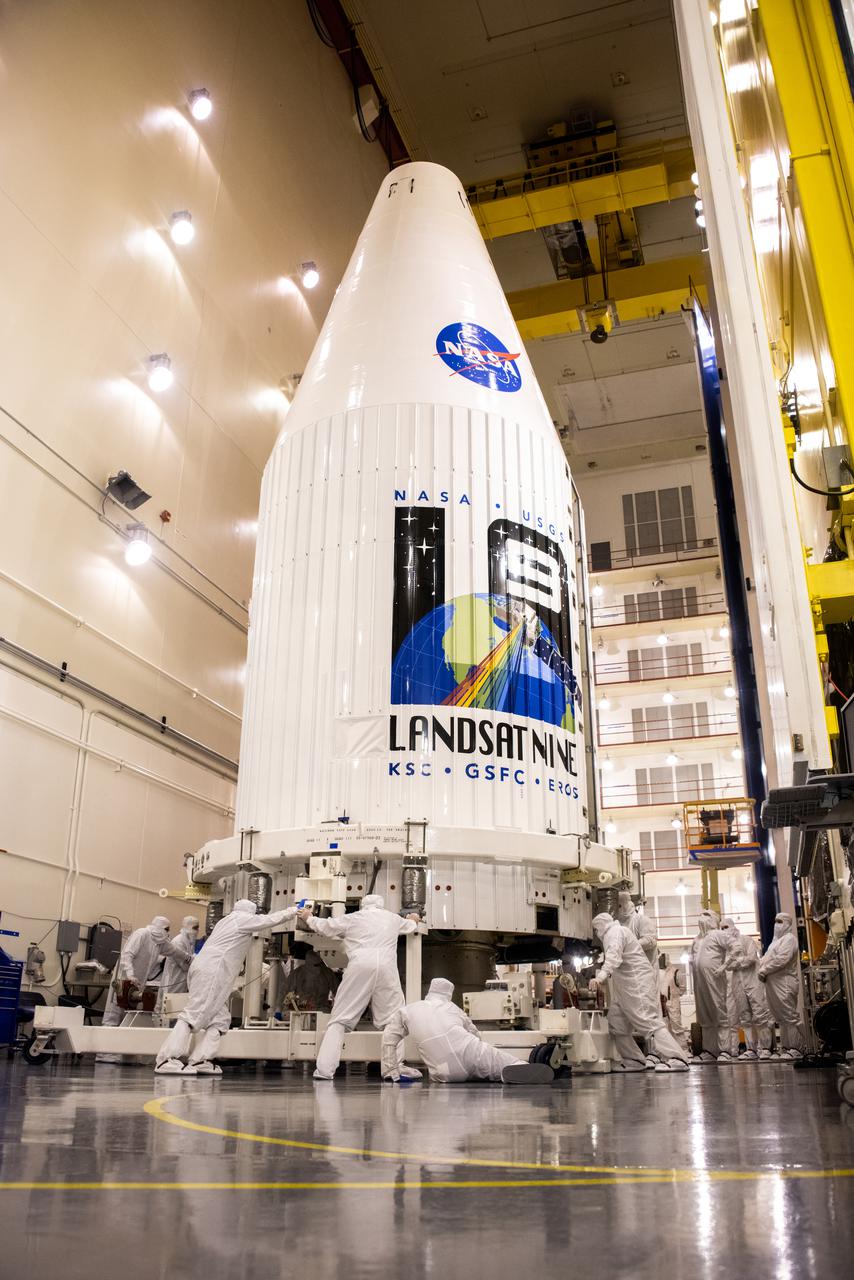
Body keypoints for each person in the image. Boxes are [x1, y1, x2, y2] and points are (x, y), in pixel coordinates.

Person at [155, 899, 297, 1075]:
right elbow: (269, 920)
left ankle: (201, 1059)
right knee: (194, 1014)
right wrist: (294, 910)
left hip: (208, 969)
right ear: (250, 912)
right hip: (213, 971)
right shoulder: (241, 919)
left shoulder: (226, 921)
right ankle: (166, 1059)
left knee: (220, 1019)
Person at [298, 894, 420, 1080]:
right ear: (381, 905)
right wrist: (413, 918)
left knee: (340, 1019)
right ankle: (393, 1068)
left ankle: (324, 1070)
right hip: (387, 968)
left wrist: (308, 916)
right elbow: (410, 926)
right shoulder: (392, 918)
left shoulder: (354, 918)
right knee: (393, 1020)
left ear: (363, 905)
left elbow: (326, 927)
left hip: (360, 966)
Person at [382, 978, 554, 1083]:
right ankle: (513, 1069)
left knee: (467, 1074)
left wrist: (392, 1071)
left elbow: (389, 1039)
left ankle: (482, 1074)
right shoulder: (453, 1008)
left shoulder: (408, 1010)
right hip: (467, 1049)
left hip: (443, 1072)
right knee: (494, 1060)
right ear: (448, 994)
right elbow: (474, 1034)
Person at [591, 913, 690, 1072]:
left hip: (637, 985)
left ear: (602, 925)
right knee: (616, 1023)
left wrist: (600, 977)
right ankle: (634, 1059)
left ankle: (678, 1058)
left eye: (596, 929)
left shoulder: (614, 933)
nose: (596, 933)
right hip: (625, 988)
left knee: (649, 1022)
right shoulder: (617, 932)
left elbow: (613, 957)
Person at [97, 915, 181, 1063]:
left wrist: (190, 958)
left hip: (136, 985)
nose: (168, 933)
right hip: (123, 981)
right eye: (166, 929)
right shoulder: (142, 934)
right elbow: (127, 954)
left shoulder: (159, 943)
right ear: (158, 926)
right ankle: (104, 1054)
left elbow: (175, 951)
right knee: (113, 1016)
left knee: (127, 1018)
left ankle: (121, 1052)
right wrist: (130, 974)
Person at [720, 917, 773, 1060]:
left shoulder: (746, 940)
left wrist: (736, 962)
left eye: (726, 927)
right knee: (745, 1018)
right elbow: (727, 965)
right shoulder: (726, 949)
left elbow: (751, 959)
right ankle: (751, 1049)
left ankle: (766, 1048)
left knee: (760, 1015)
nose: (724, 930)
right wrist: (736, 962)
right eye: (722, 928)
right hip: (738, 984)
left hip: (752, 982)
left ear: (733, 926)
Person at [757, 912, 807, 1058]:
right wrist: (760, 968)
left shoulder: (789, 939)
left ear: (787, 924)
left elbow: (782, 959)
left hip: (785, 982)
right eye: (775, 921)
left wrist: (765, 970)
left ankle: (797, 1048)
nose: (776, 925)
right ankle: (786, 1048)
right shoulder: (774, 943)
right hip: (773, 984)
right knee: (781, 1018)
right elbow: (766, 959)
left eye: (780, 921)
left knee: (789, 1015)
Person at [690, 909, 730, 1062]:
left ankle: (724, 1050)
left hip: (714, 978)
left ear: (714, 919)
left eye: (707, 915)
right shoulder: (697, 939)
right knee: (704, 1015)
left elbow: (735, 948)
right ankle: (710, 1051)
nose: (702, 918)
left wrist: (725, 965)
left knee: (718, 1011)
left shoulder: (719, 935)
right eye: (701, 915)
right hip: (699, 981)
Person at [279, 941, 340, 1011]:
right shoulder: (298, 973)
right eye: (315, 965)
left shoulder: (327, 973)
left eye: (319, 964)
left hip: (323, 1011)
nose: (318, 968)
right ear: (308, 964)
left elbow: (339, 991)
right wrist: (278, 1009)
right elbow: (284, 991)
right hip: (302, 1011)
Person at [157, 916, 199, 1012]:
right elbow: (184, 966)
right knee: (167, 1012)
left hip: (181, 984)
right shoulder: (178, 941)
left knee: (176, 1013)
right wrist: (195, 960)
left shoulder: (189, 942)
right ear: (188, 926)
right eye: (195, 928)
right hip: (173, 983)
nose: (197, 931)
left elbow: (189, 961)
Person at [617, 891, 659, 969]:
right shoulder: (617, 925)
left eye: (619, 906)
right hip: (626, 973)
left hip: (644, 973)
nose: (618, 909)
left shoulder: (642, 920)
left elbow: (650, 941)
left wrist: (629, 946)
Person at [659, 956, 689, 1050]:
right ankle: (670, 1050)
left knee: (677, 1026)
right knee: (664, 1027)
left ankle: (683, 1049)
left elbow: (682, 988)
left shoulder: (675, 972)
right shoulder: (658, 972)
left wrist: (674, 996)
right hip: (661, 1004)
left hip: (673, 1002)